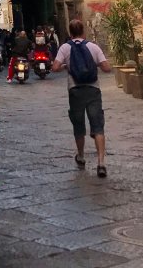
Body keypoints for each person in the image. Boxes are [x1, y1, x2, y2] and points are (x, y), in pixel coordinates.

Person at [51, 18, 112, 176]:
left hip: (75, 90)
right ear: (83, 31)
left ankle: (81, 156)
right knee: (97, 125)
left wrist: (67, 65)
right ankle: (101, 162)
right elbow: (107, 68)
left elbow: (55, 67)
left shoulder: (65, 48)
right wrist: (95, 63)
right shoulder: (93, 47)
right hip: (93, 89)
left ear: (70, 32)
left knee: (78, 125)